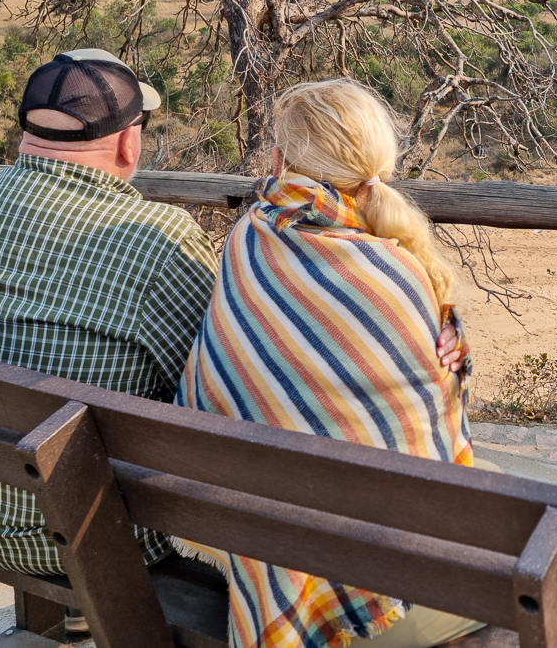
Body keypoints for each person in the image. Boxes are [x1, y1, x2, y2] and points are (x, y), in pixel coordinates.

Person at [0, 49, 218, 630]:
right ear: (128, 143)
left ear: (28, 134)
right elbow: (207, 381)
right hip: (75, 534)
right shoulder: (158, 238)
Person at [176, 79, 481, 648]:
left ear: (280, 160)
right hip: (387, 605)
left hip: (276, 563)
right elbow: (434, 432)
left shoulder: (249, 239)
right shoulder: (405, 275)